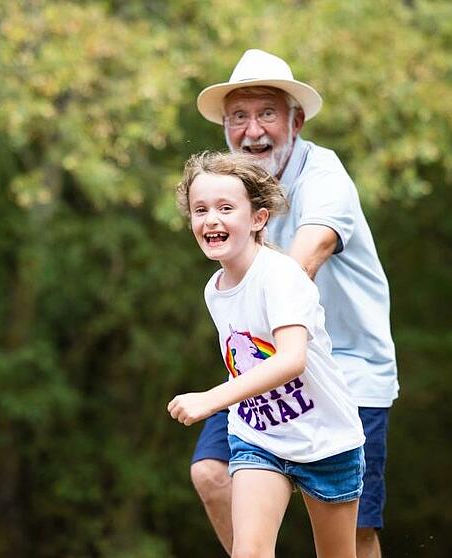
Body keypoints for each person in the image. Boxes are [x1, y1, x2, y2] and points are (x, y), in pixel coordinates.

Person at [189, 49, 399, 558]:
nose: (252, 130)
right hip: (266, 368)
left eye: (266, 113)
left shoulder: (324, 177)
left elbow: (306, 259)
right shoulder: (232, 194)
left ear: (295, 121)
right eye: (238, 116)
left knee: (355, 533)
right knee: (213, 472)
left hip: (347, 373)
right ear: (225, 127)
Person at [168, 151, 365, 558]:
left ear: (258, 218)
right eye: (200, 210)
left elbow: (292, 358)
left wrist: (210, 400)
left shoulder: (280, 276)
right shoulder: (215, 288)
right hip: (260, 438)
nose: (211, 220)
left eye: (226, 208)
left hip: (325, 441)